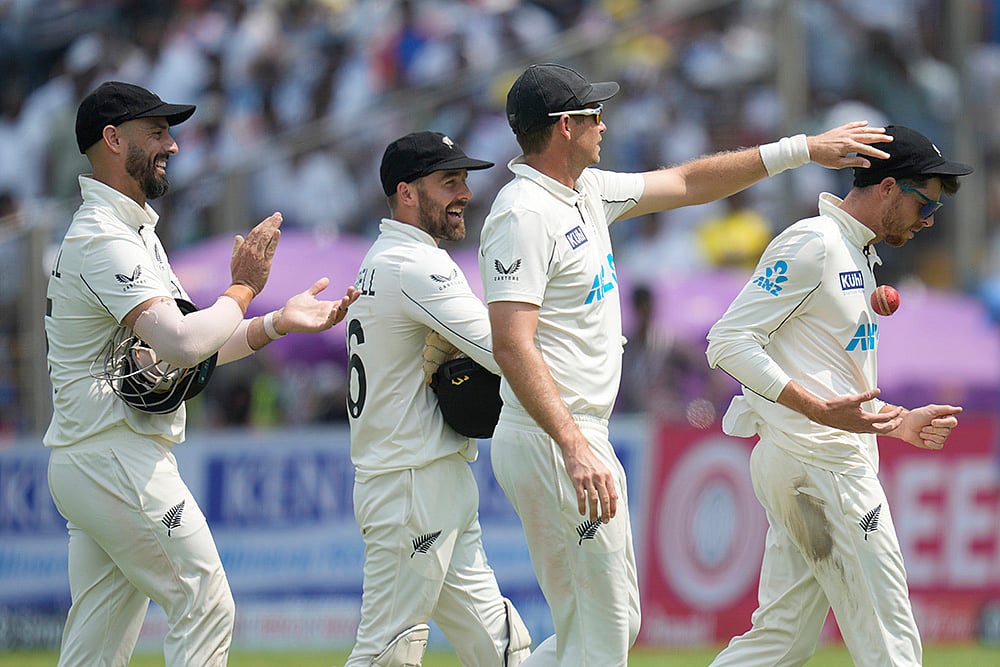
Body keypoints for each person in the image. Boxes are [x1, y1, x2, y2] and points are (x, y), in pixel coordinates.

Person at [478, 62, 894, 666]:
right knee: (600, 634)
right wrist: (571, 443)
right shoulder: (522, 214)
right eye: (593, 113)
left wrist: (802, 148)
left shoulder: (582, 193)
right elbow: (511, 343)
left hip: (572, 433)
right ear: (564, 126)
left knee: (610, 625)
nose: (605, 121)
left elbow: (690, 181)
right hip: (555, 435)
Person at [44, 81, 358, 667]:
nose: (174, 145)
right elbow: (185, 342)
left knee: (95, 650)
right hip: (113, 455)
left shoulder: (134, 234)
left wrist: (275, 323)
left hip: (100, 456)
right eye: (157, 132)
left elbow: (194, 348)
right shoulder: (102, 238)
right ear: (113, 140)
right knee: (206, 602)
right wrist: (242, 287)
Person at [704, 124, 971, 666]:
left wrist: (895, 422)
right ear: (889, 187)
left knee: (781, 640)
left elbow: (830, 372)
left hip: (810, 460)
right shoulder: (815, 243)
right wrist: (816, 409)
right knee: (890, 639)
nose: (929, 220)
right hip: (824, 466)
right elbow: (728, 341)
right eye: (925, 204)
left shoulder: (858, 253)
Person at [343, 131, 531, 667]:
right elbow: (505, 349)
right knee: (388, 652)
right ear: (406, 193)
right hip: (410, 484)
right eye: (449, 181)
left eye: (464, 180)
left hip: (428, 478)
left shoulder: (383, 260)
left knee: (499, 647)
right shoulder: (414, 264)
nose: (465, 193)